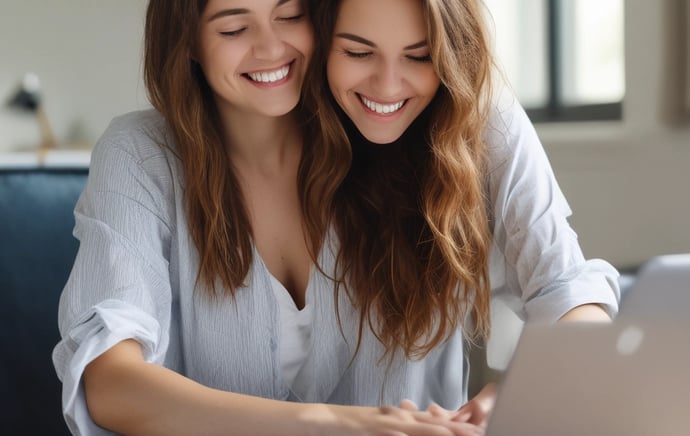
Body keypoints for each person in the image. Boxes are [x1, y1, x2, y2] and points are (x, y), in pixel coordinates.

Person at [52, 0, 485, 435]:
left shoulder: (399, 118)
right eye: (235, 29)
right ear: (189, 42)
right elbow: (109, 384)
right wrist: (326, 423)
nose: (271, 47)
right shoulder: (140, 154)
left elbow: (554, 294)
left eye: (290, 16)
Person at [299, 0, 622, 426]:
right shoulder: (276, 122)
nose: (388, 85)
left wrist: (523, 390)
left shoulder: (481, 114)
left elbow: (563, 284)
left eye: (419, 56)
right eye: (359, 53)